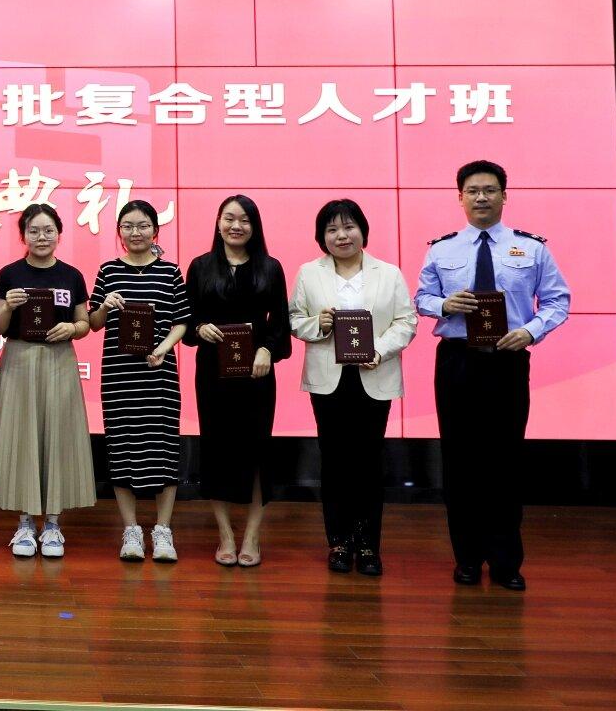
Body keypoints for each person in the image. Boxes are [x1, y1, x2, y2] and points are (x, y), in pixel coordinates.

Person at [416, 160, 569, 592]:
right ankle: (466, 558)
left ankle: (505, 562)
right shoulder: (441, 250)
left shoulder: (531, 248)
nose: (480, 197)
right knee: (460, 460)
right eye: (472, 191)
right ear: (460, 198)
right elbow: (421, 297)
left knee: (504, 460)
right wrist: (444, 305)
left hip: (507, 360)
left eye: (489, 190)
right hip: (457, 361)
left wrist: (530, 331)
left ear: (504, 195)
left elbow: (557, 300)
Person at [288, 199, 417, 576]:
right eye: (332, 229)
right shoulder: (309, 273)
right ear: (322, 237)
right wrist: (319, 323)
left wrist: (379, 350)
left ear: (362, 231)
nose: (341, 236)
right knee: (334, 462)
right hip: (329, 381)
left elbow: (406, 322)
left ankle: (368, 544)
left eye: (348, 227)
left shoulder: (388, 273)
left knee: (368, 463)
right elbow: (293, 320)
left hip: (373, 376)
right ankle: (339, 542)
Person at [185, 194, 290, 568]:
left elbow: (280, 321)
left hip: (256, 374)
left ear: (254, 226)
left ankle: (252, 536)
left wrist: (267, 350)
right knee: (216, 449)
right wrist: (200, 327)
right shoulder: (200, 266)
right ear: (218, 223)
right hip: (212, 374)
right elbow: (188, 321)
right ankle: (226, 535)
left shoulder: (270, 268)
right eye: (229, 218)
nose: (236, 225)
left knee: (256, 451)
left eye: (244, 219)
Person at [0, 203, 95, 559]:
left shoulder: (71, 275)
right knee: (22, 437)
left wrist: (71, 328)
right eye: (33, 231)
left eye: (48, 230)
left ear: (59, 234)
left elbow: (84, 323)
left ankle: (53, 524)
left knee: (57, 436)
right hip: (19, 359)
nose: (41, 237)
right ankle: (24, 523)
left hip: (59, 360)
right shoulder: (10, 274)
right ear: (23, 235)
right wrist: (7, 306)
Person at [86, 200, 190, 563]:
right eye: (128, 226)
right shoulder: (108, 271)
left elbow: (182, 321)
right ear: (119, 232)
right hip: (119, 375)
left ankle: (163, 530)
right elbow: (93, 323)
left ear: (155, 231)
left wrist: (162, 348)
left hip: (159, 373)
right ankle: (130, 529)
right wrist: (104, 305)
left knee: (163, 448)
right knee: (122, 446)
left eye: (143, 225)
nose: (136, 232)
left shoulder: (170, 272)